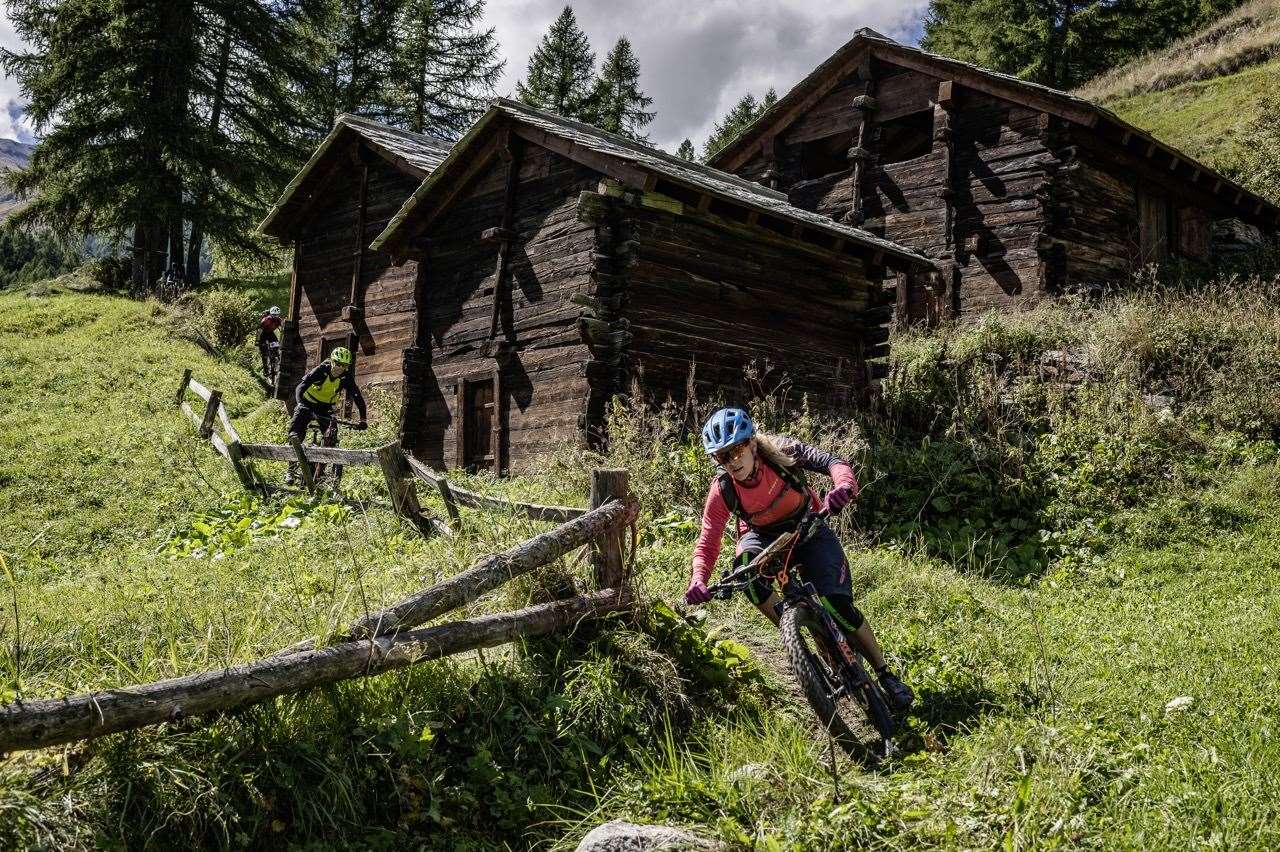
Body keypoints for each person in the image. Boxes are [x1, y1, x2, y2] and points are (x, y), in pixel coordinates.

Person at [684, 407, 914, 713]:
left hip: (809, 527)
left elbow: (833, 462)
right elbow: (708, 538)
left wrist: (844, 486)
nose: (733, 461)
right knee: (745, 572)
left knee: (838, 605)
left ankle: (886, 675)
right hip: (762, 538)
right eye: (722, 457)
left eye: (737, 449)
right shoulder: (723, 488)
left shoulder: (783, 451)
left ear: (752, 443)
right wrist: (699, 578)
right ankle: (795, 634)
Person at [285, 346, 367, 483]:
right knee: (296, 434)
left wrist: (363, 419)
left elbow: (357, 397)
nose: (340, 368)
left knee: (331, 435)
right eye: (338, 364)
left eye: (344, 365)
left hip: (324, 407)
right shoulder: (321, 370)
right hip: (307, 403)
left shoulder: (346, 377)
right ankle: (290, 471)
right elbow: (301, 386)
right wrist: (299, 404)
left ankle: (322, 471)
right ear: (332, 361)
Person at [257, 306, 283, 378]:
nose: (275, 316)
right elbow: (259, 330)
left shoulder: (279, 320)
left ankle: (274, 358)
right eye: (274, 315)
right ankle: (265, 370)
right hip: (263, 334)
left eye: (277, 315)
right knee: (264, 354)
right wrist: (257, 340)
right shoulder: (266, 320)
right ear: (271, 314)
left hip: (270, 333)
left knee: (276, 345)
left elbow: (282, 329)